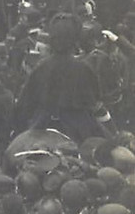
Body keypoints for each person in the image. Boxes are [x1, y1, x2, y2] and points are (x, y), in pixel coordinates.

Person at [16, 12, 106, 140]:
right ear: (75, 39)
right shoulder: (84, 68)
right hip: (79, 129)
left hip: (41, 125)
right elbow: (95, 103)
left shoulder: (40, 67)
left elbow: (25, 104)